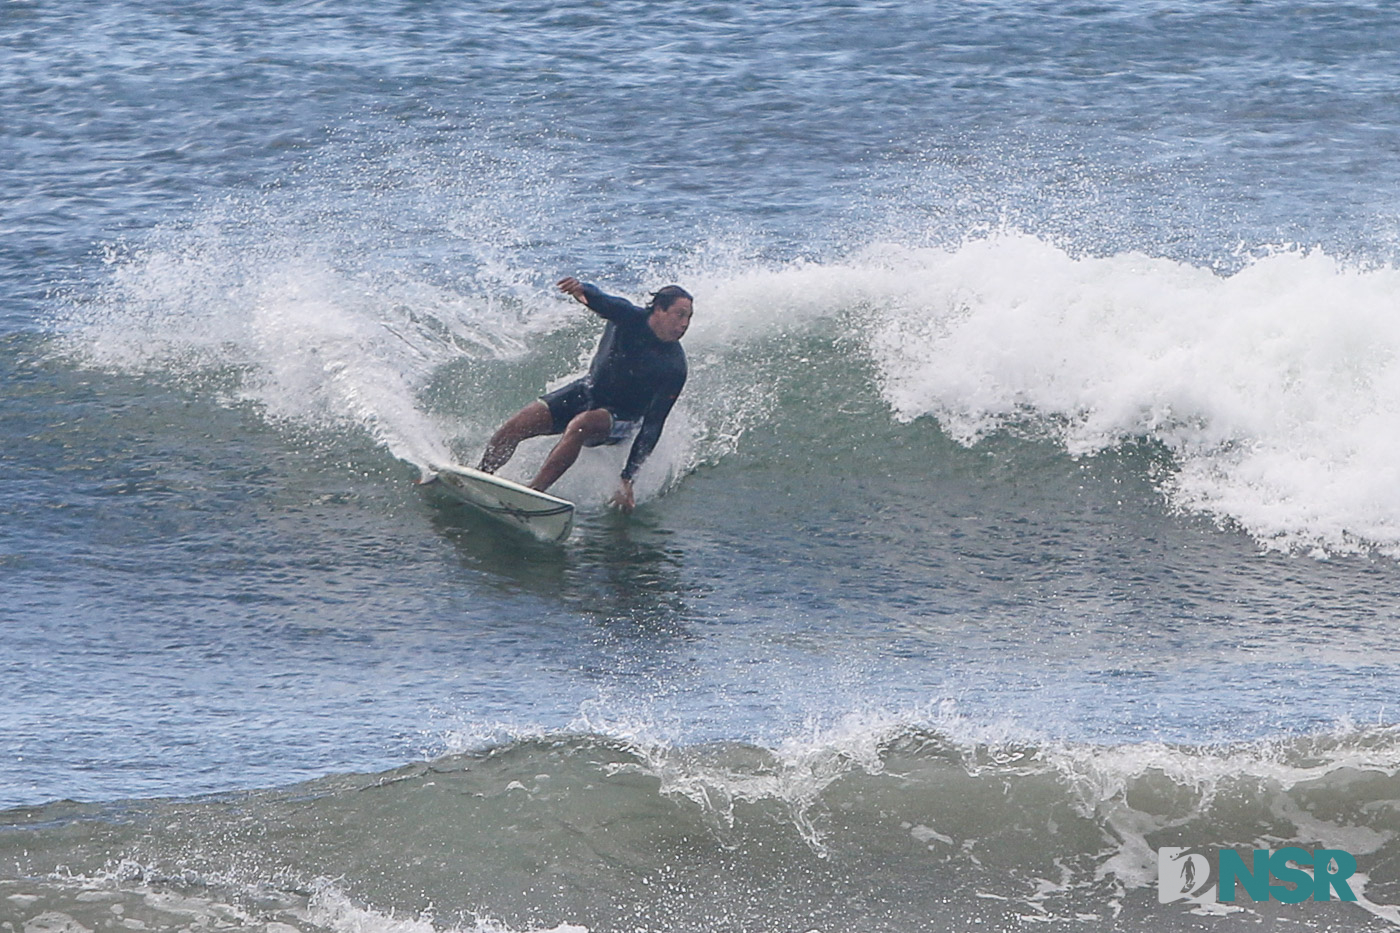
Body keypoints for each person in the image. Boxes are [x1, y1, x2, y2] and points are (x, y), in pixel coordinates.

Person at [477, 277, 693, 512]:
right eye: (679, 314)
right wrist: (581, 290)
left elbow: (653, 425)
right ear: (659, 309)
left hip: (622, 419)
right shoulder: (629, 317)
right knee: (517, 424)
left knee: (582, 425)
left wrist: (627, 478)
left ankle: (532, 495)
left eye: (689, 317)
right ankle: (479, 476)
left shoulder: (674, 366)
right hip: (587, 391)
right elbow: (600, 300)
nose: (684, 323)